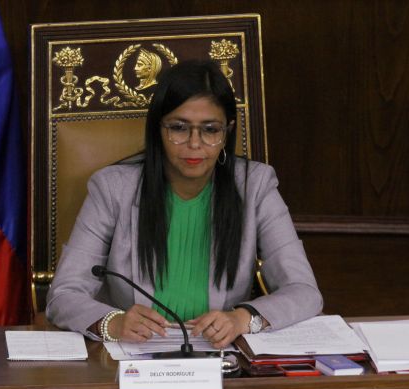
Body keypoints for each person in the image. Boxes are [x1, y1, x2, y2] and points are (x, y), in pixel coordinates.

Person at [46, 60, 323, 348]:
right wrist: (112, 322)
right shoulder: (112, 188)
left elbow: (304, 291)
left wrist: (243, 318)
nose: (194, 143)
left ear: (226, 132)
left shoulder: (255, 186)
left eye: (210, 130)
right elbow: (63, 295)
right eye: (179, 128)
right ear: (158, 129)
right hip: (133, 356)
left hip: (220, 357)